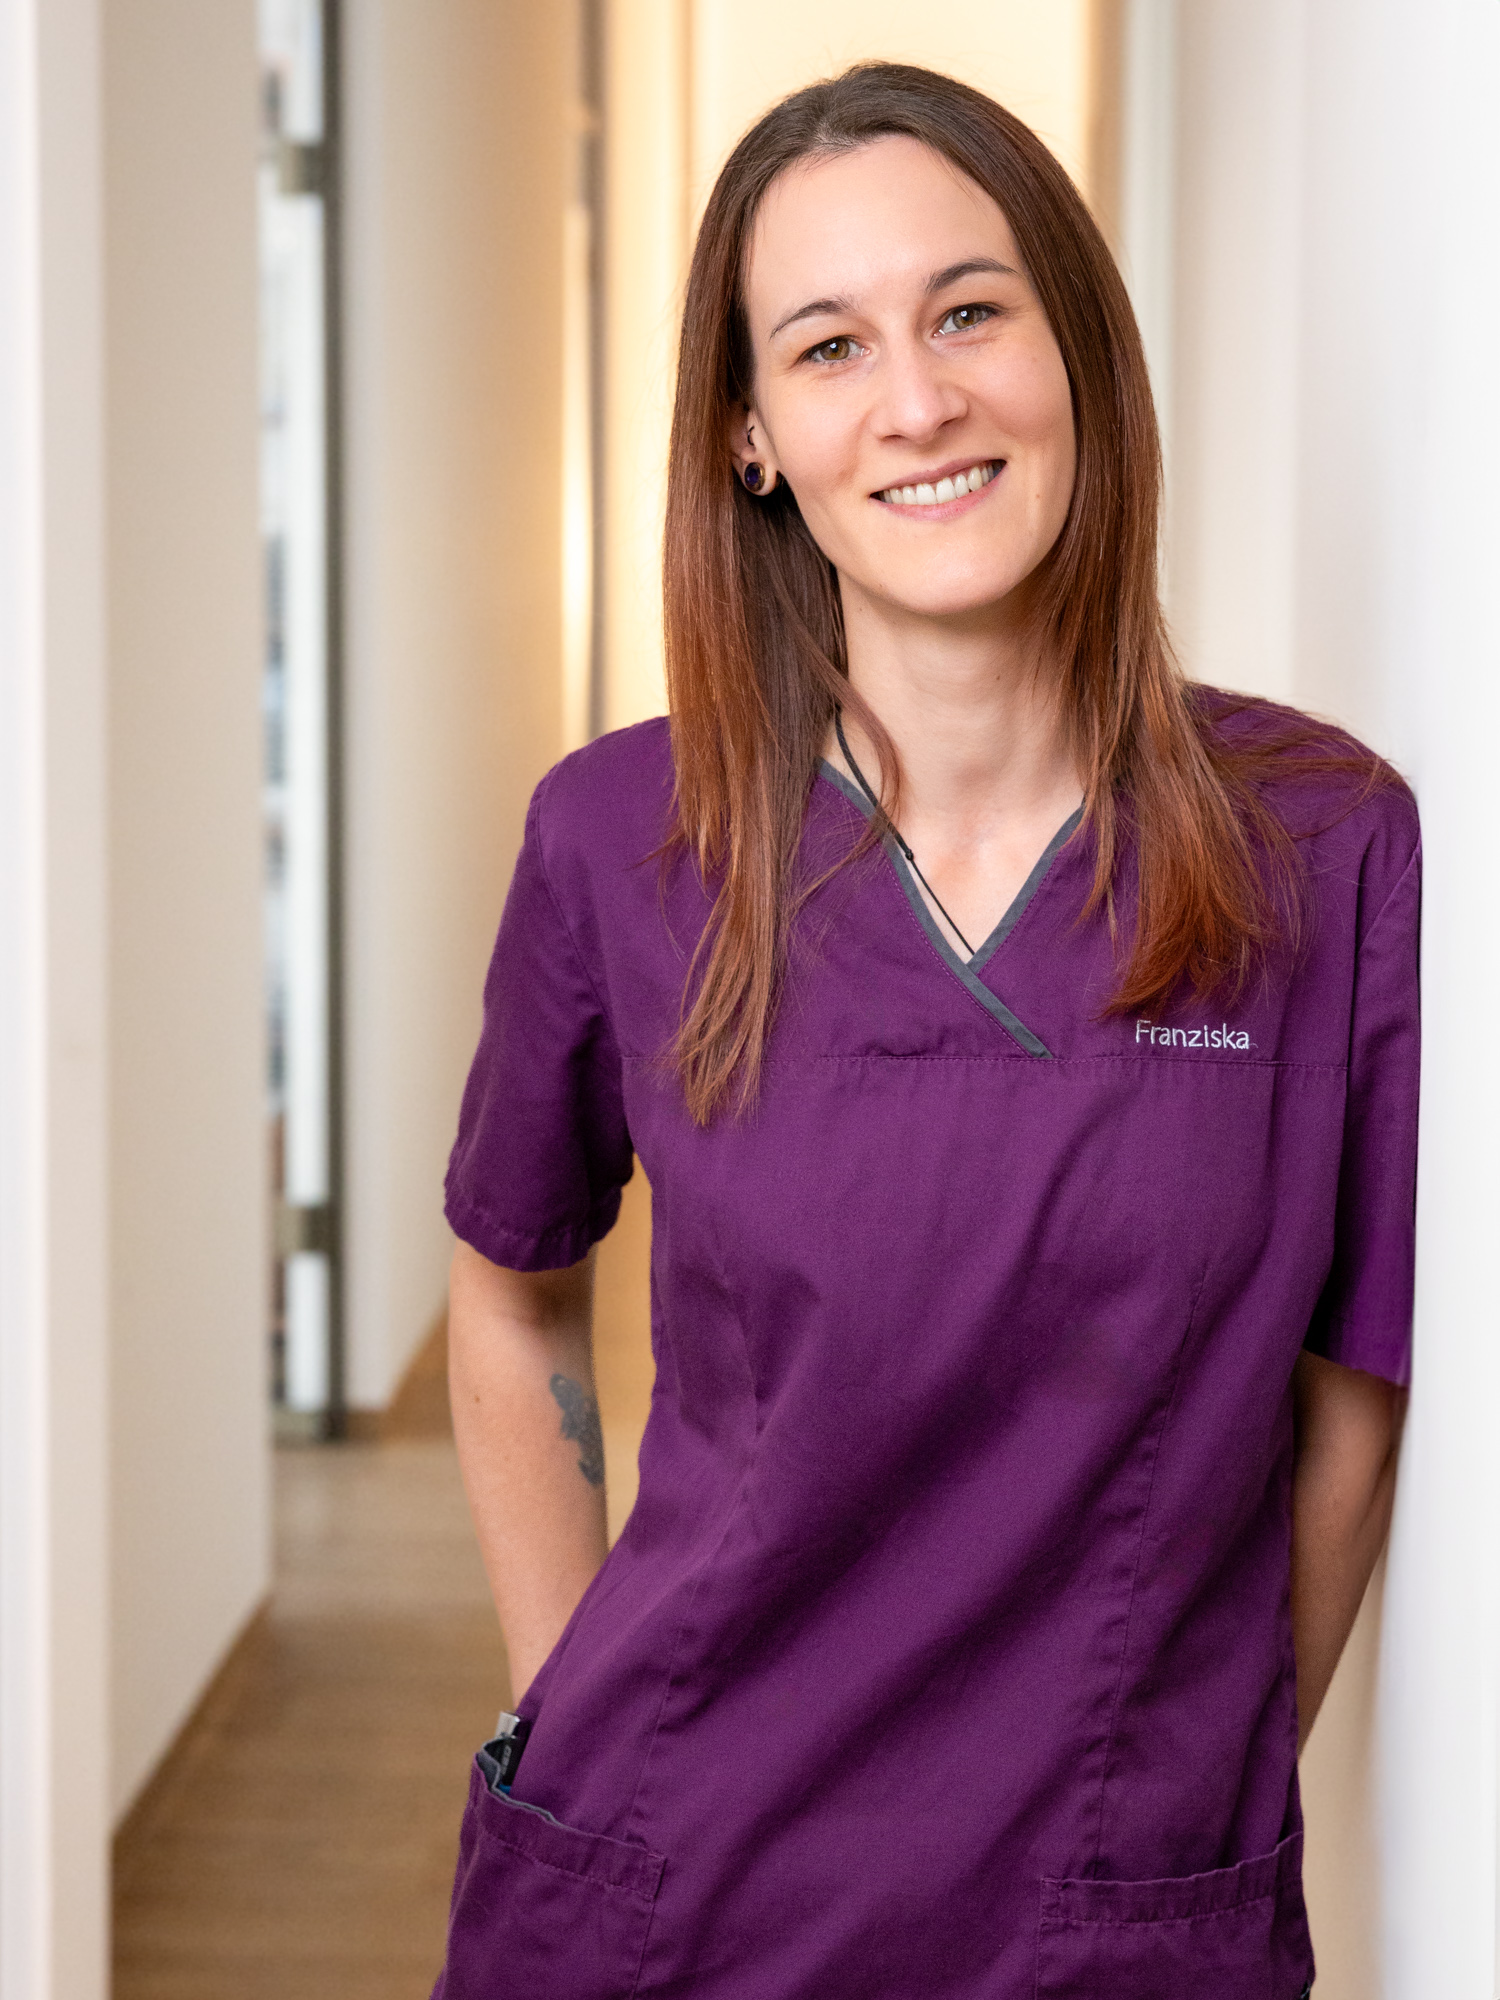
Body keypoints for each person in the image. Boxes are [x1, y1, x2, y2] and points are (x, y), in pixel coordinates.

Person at [430, 62, 1416, 2000]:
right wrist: (570, 1711)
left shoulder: (1322, 845)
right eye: (829, 347)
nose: (916, 401)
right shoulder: (621, 837)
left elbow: (1351, 1397)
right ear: (753, 438)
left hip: (1113, 1915)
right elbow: (510, 1290)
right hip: (666, 1890)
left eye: (970, 311)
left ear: (1079, 347)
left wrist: (1182, 1791)